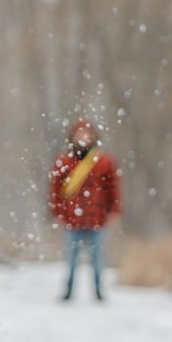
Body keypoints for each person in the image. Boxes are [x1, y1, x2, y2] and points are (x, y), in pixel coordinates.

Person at [47, 118, 122, 301]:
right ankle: (68, 290)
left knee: (98, 259)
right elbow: (55, 190)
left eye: (86, 134)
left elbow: (113, 188)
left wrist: (114, 210)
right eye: (79, 134)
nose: (83, 138)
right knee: (71, 260)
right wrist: (57, 213)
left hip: (98, 219)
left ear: (93, 137)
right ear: (72, 137)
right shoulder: (63, 161)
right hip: (72, 220)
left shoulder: (104, 162)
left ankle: (98, 291)